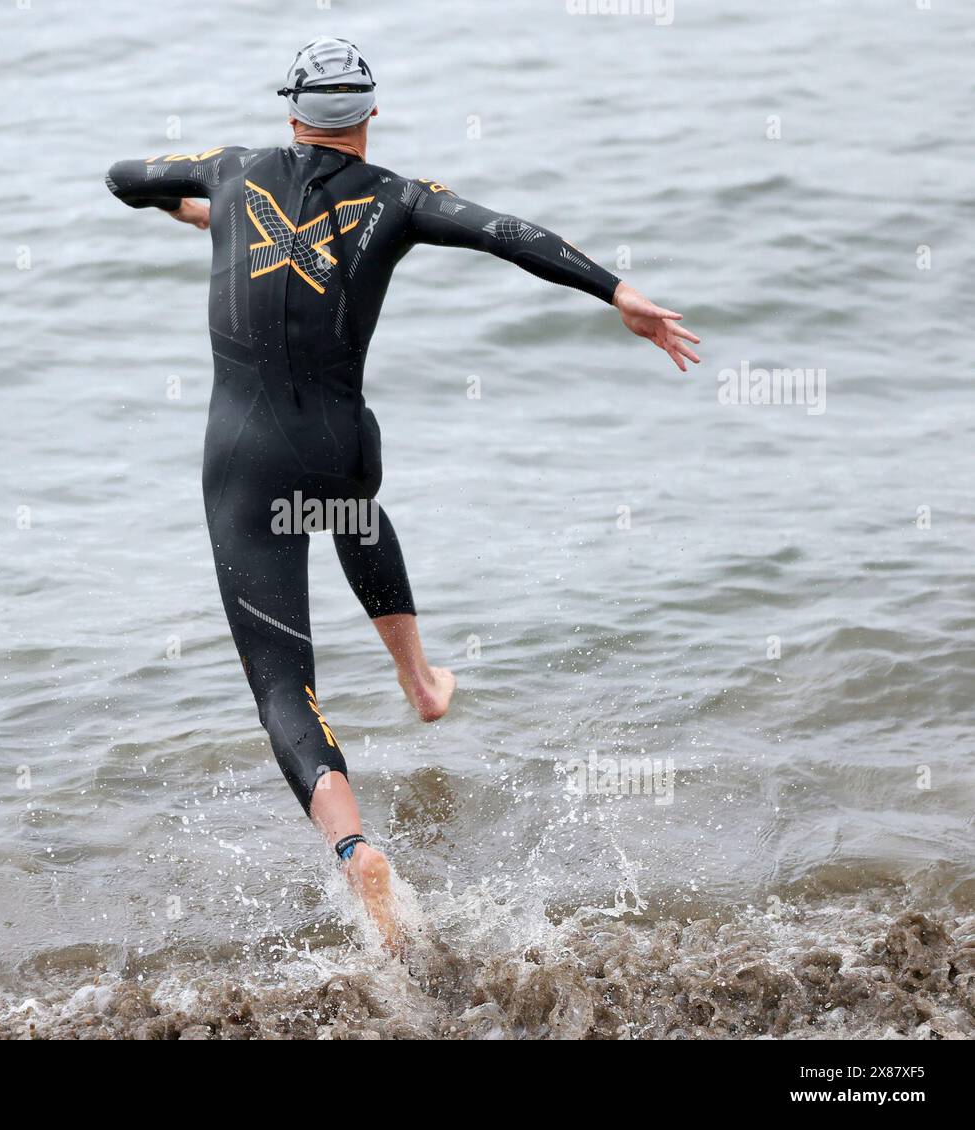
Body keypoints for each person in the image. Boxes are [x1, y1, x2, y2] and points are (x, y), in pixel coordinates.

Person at [105, 36, 701, 950]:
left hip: (242, 459)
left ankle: (354, 849)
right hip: (341, 448)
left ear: (291, 111)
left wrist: (206, 211)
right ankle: (420, 681)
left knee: (280, 683)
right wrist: (618, 292)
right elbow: (511, 235)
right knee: (348, 506)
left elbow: (123, 176)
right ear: (369, 117)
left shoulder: (232, 173)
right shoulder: (401, 199)